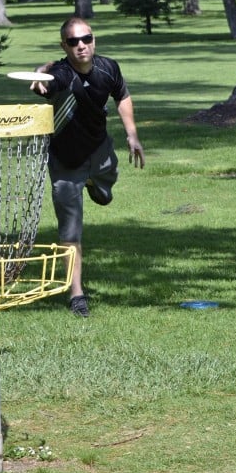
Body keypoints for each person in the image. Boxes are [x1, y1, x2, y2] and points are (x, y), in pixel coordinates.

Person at [31, 17, 145, 317]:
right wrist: (39, 73)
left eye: (86, 39)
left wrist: (132, 135)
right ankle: (77, 294)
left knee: (106, 191)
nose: (80, 45)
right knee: (70, 229)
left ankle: (96, 184)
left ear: (93, 40)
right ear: (64, 46)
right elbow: (44, 83)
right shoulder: (60, 75)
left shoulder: (109, 68)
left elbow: (122, 96)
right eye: (72, 41)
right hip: (65, 161)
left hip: (100, 150)